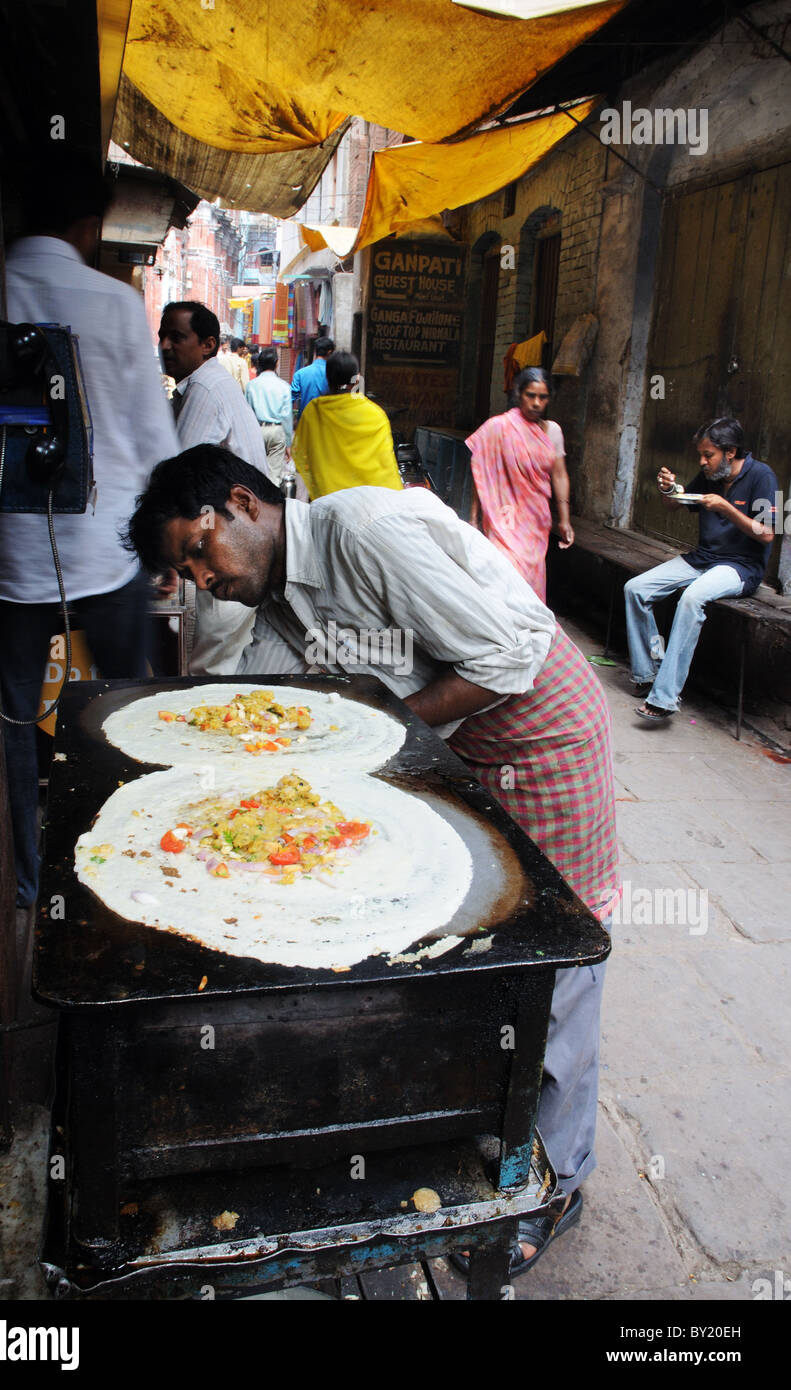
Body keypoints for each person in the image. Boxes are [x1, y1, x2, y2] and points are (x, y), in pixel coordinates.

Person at [124, 446, 619, 1276]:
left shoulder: (363, 530)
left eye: (199, 551)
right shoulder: (277, 599)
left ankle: (556, 1183)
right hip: (450, 745)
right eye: (184, 572)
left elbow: (503, 656)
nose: (203, 580)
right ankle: (470, 1127)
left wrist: (380, 745)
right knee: (461, 942)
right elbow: (264, 707)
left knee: (553, 956)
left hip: (538, 732)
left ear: (243, 502)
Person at [0, 149, 179, 907]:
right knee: (118, 708)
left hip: (8, 555)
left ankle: (26, 883)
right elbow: (148, 437)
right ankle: (124, 855)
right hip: (106, 552)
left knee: (10, 716)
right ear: (87, 226)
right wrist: (163, 543)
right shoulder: (112, 301)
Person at [625, 418, 778, 720]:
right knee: (635, 589)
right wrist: (668, 489)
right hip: (703, 558)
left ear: (730, 451)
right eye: (701, 455)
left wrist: (727, 509)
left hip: (741, 567)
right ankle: (649, 673)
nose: (702, 461)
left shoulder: (765, 476)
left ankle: (665, 697)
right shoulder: (710, 474)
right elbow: (675, 505)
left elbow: (770, 533)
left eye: (708, 455)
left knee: (692, 599)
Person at [157, 302, 268, 673]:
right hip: (235, 541)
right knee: (220, 660)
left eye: (177, 337)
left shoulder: (205, 386)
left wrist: (166, 558)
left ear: (207, 344)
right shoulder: (208, 385)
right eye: (162, 336)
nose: (165, 346)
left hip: (230, 545)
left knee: (211, 668)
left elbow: (179, 480)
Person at [466, 366, 574, 602]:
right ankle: (499, 631)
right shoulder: (498, 427)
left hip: (535, 521)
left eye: (542, 397)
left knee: (529, 583)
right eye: (530, 395)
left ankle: (527, 632)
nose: (536, 403)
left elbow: (559, 475)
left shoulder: (553, 431)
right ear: (519, 394)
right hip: (503, 518)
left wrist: (565, 519)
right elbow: (482, 472)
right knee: (504, 575)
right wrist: (474, 518)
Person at [292, 351, 402, 499]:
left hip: (328, 502)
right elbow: (386, 464)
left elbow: (301, 456)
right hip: (369, 503)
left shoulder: (313, 411)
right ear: (357, 380)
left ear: (328, 378)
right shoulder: (376, 414)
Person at [245, 347, 293, 484]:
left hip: (256, 430)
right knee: (274, 475)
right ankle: (271, 502)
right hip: (276, 431)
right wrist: (288, 444)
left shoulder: (251, 386)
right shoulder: (283, 386)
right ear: (277, 363)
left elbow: (247, 413)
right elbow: (286, 417)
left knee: (255, 472)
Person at [291, 336, 334, 422]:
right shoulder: (334, 373)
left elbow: (290, 400)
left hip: (305, 423)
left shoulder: (300, 374)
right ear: (330, 352)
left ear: (315, 352)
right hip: (327, 423)